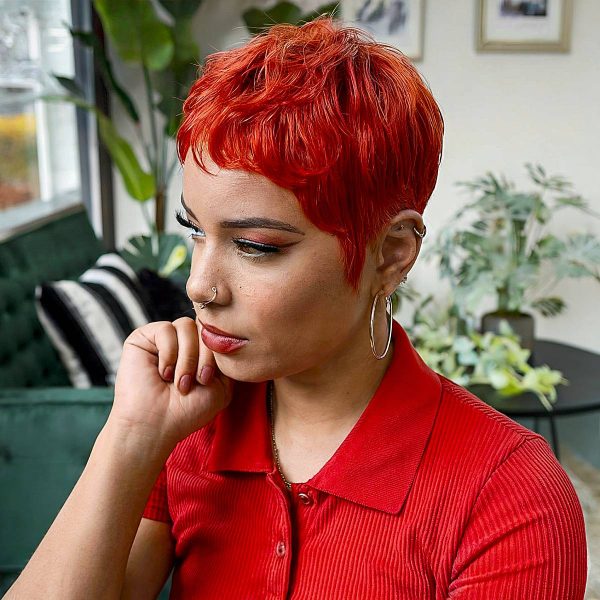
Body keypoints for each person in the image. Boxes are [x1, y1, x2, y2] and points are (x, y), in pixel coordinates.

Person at [6, 17, 587, 600]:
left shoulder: (511, 497)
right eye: (195, 230)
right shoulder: (188, 429)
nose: (200, 286)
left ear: (391, 253)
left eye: (256, 246)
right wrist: (130, 437)